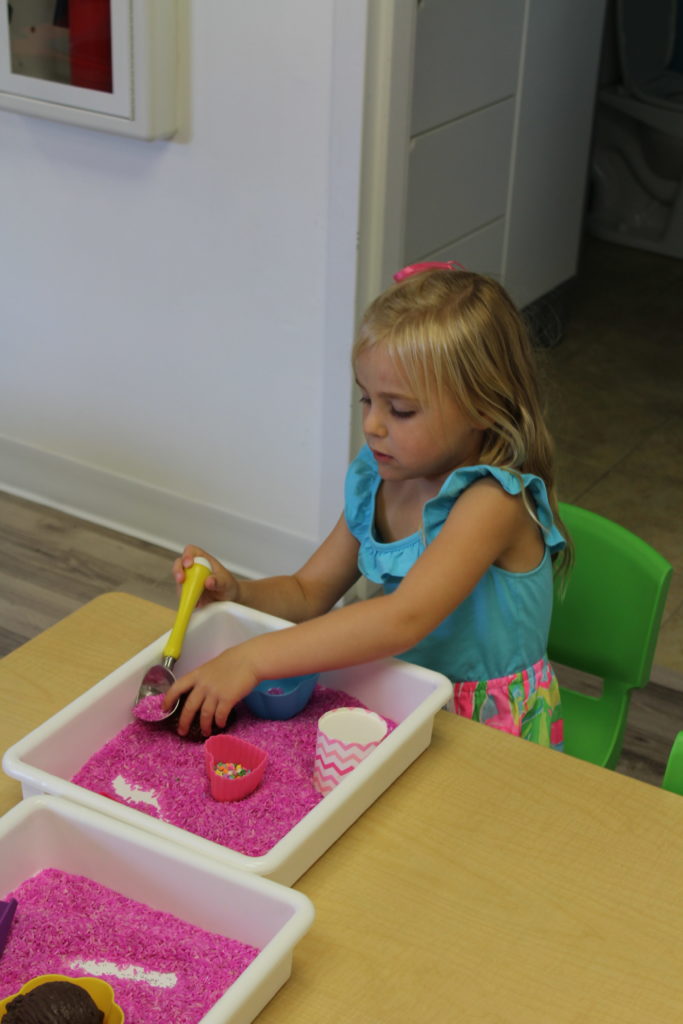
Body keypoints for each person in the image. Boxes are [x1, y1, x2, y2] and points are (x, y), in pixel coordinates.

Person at [166, 262, 571, 748]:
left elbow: (403, 618)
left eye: (400, 410)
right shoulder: (380, 478)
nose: (373, 425)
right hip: (405, 696)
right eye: (366, 400)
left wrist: (251, 658)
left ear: (482, 407)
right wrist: (239, 593)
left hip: (488, 727)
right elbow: (306, 592)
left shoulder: (492, 502)